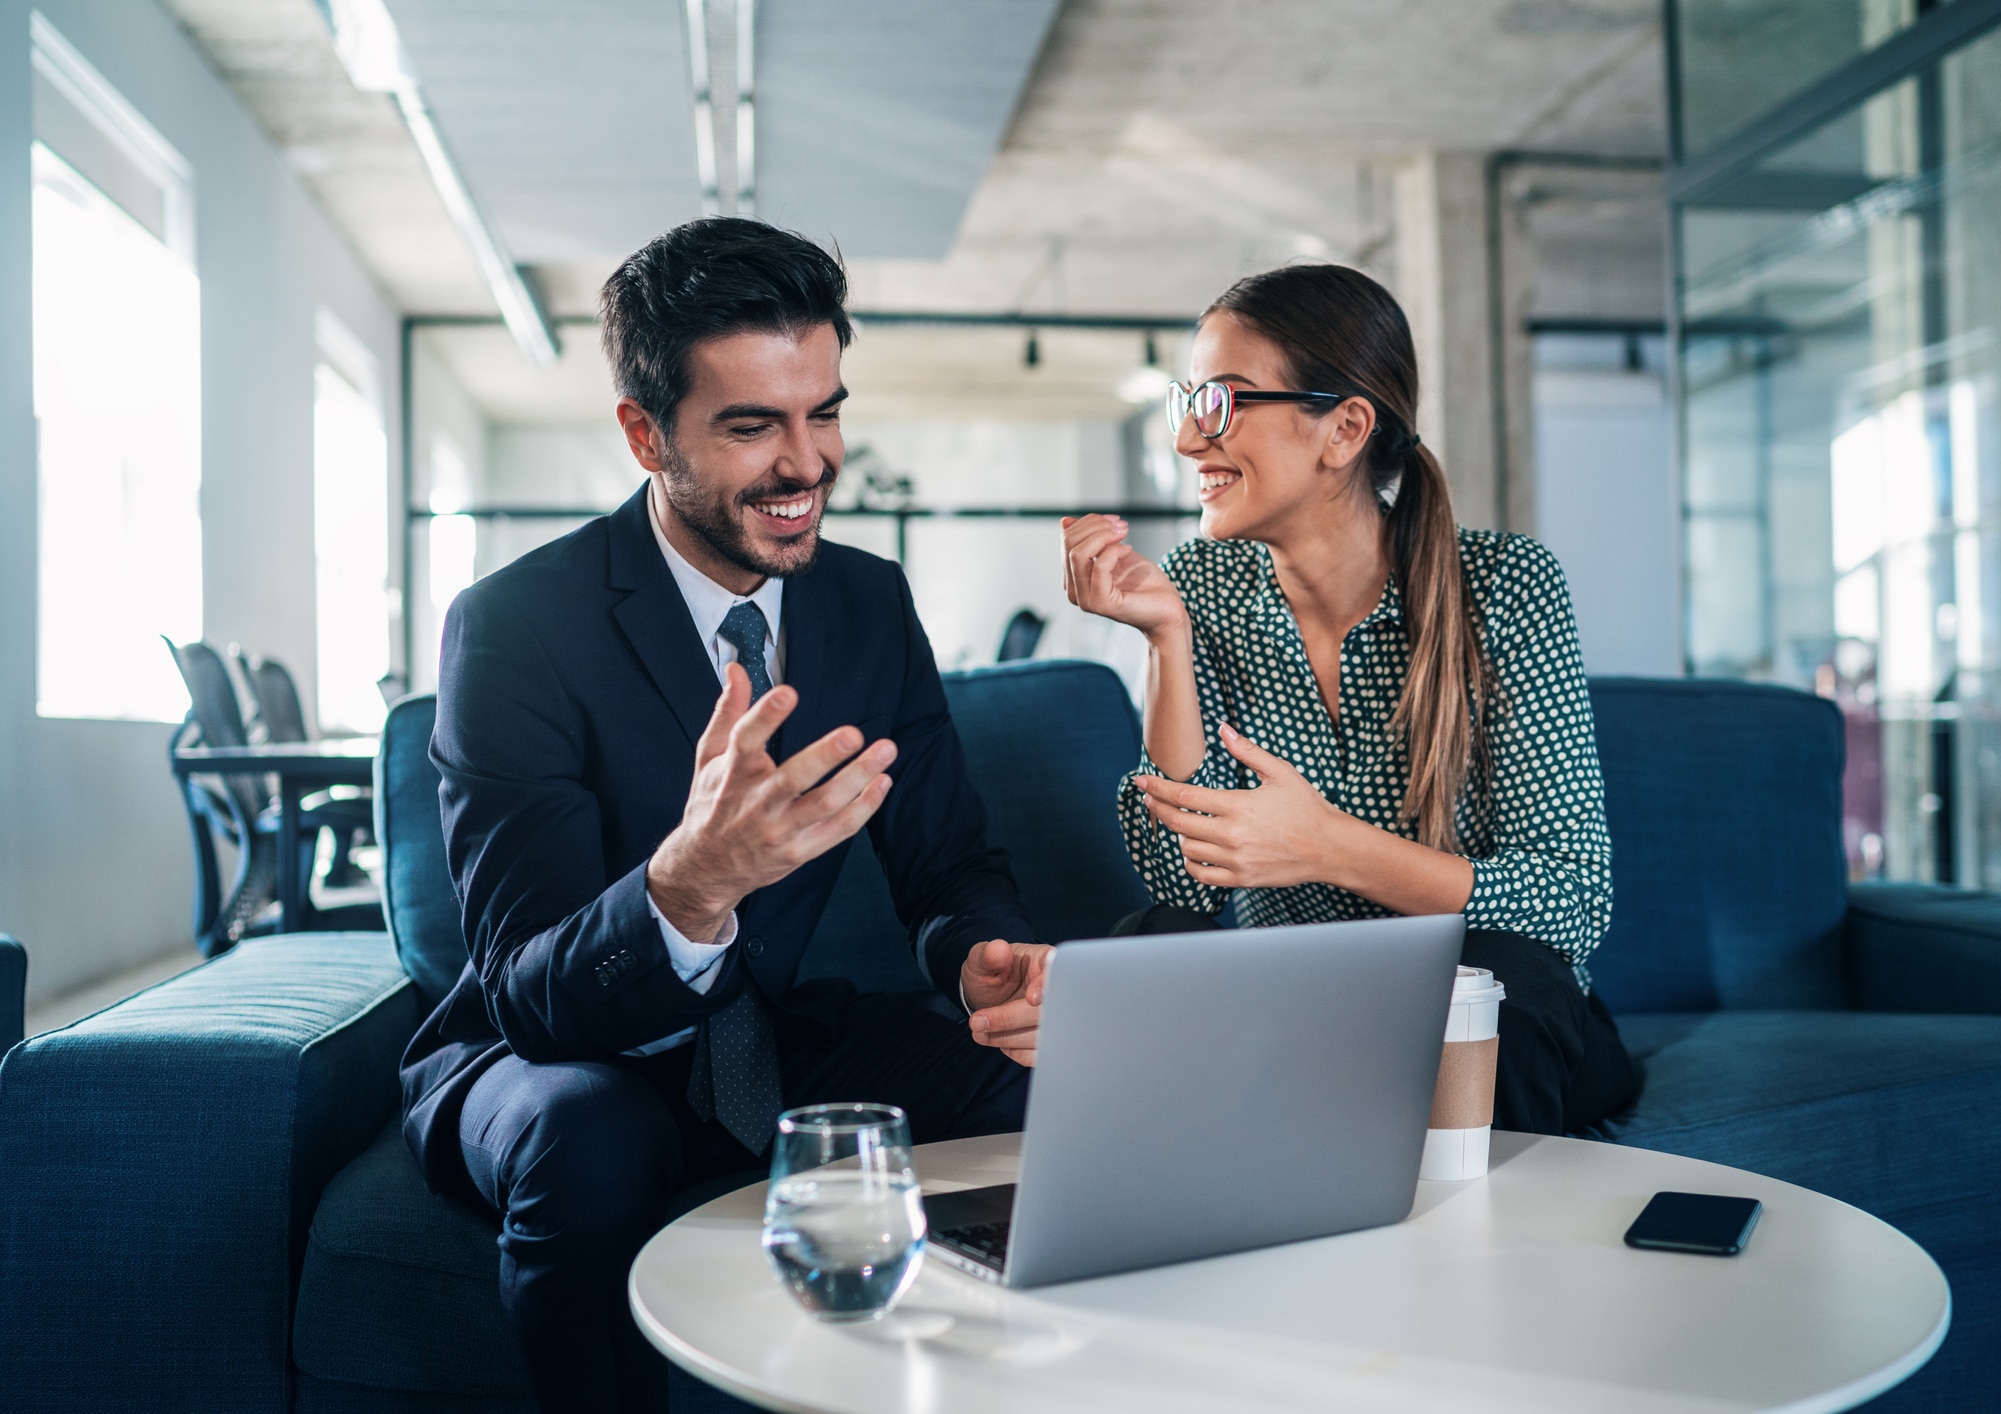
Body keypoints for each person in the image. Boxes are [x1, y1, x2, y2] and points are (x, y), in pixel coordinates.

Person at [399, 217, 1051, 1414]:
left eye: (824, 412)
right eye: (753, 426)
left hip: (768, 1038)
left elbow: (950, 859)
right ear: (646, 434)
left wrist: (980, 960)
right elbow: (527, 990)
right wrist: (688, 884)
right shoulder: (515, 626)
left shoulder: (867, 601)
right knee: (588, 1133)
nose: (807, 464)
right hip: (545, 1055)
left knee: (1035, 1072)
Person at [1062, 262, 1637, 1135]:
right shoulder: (1203, 587)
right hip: (1301, 999)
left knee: (1492, 989)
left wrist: (1328, 848)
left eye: (1219, 403)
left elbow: (1568, 897)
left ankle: (1483, 1261)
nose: (1187, 439)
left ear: (1343, 430)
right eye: (1188, 401)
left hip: (1484, 999)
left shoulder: (1506, 586)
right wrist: (1165, 640)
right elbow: (1178, 877)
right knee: (1145, 942)